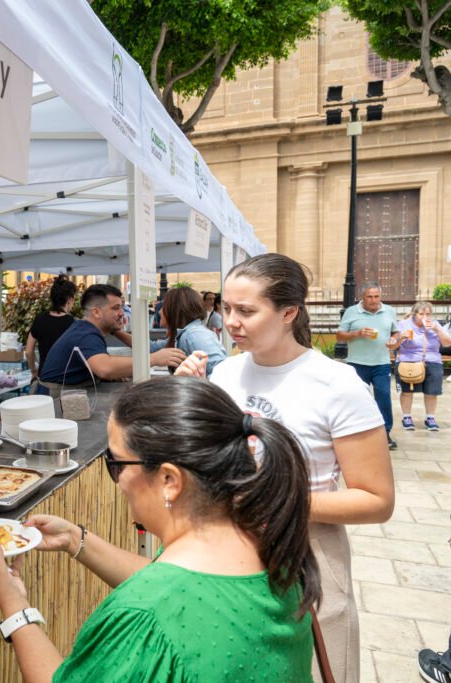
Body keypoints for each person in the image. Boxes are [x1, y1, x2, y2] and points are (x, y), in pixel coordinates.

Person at [0, 377, 320, 681]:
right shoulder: (276, 555)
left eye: (115, 463)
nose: (116, 480)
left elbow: (164, 600)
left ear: (170, 480)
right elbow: (186, 590)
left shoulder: (142, 617)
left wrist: (14, 607)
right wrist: (74, 539)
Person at [176, 253, 395, 682]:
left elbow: (377, 500)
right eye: (226, 308)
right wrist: (190, 396)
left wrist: (273, 501)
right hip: (228, 549)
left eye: (247, 311)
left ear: (289, 312)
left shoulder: (336, 384)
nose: (231, 322)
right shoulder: (226, 373)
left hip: (305, 552)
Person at [37, 284, 186, 396]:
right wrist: (153, 359)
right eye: (115, 308)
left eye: (121, 307)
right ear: (96, 312)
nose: (122, 313)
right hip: (53, 400)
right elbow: (105, 368)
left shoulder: (86, 329)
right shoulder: (85, 334)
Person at [336, 282, 401, 448]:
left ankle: (385, 433)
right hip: (357, 364)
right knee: (356, 398)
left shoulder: (389, 311)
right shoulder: (351, 312)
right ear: (362, 297)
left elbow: (396, 331)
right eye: (369, 297)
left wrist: (395, 340)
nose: (374, 300)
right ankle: (354, 432)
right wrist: (357, 333)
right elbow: (340, 336)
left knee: (384, 397)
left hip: (381, 363)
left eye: (376, 296)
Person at [393, 301, 451, 432]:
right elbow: (393, 345)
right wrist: (401, 338)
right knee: (407, 391)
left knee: (432, 392)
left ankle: (430, 418)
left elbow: (447, 344)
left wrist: (437, 330)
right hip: (408, 361)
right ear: (414, 314)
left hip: (432, 361)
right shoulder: (403, 324)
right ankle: (406, 417)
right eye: (421, 314)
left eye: (428, 314)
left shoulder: (435, 325)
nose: (425, 316)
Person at [151, 286, 227, 377]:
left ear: (175, 309)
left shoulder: (194, 335)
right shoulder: (186, 335)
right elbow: (153, 347)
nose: (159, 311)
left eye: (164, 305)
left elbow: (222, 375)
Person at [25, 275, 77, 386]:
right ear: (70, 300)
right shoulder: (73, 323)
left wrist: (34, 371)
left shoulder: (39, 319)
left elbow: (29, 351)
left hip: (45, 378)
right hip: (66, 380)